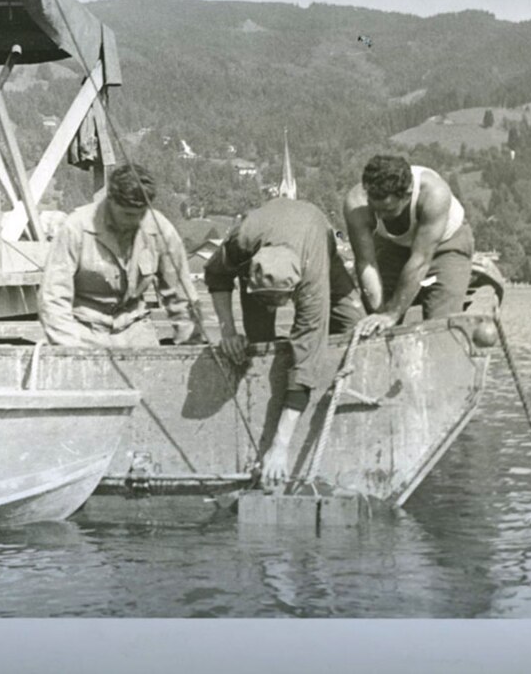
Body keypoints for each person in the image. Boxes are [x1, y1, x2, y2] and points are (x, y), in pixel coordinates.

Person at [203, 197, 364, 485]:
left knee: (351, 321)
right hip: (265, 233)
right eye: (264, 299)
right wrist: (228, 332)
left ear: (294, 292)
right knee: (260, 342)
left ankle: (321, 398)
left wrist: (281, 448)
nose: (271, 307)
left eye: (277, 301)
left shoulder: (312, 285)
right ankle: (271, 396)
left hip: (315, 237)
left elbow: (304, 364)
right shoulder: (241, 243)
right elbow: (215, 274)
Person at [39, 163, 200, 348]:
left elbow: (180, 293)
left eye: (141, 214)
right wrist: (69, 349)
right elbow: (53, 297)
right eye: (127, 214)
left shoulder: (159, 228)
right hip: (83, 331)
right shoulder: (76, 228)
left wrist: (191, 343)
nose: (135, 221)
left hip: (135, 330)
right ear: (111, 201)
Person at [343, 154, 473, 338]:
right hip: (393, 245)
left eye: (388, 210)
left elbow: (420, 261)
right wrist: (380, 315)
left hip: (445, 246)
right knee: (374, 315)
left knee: (439, 325)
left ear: (408, 193)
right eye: (375, 208)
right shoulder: (355, 203)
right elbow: (366, 263)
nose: (379, 216)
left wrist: (392, 314)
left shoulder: (435, 194)